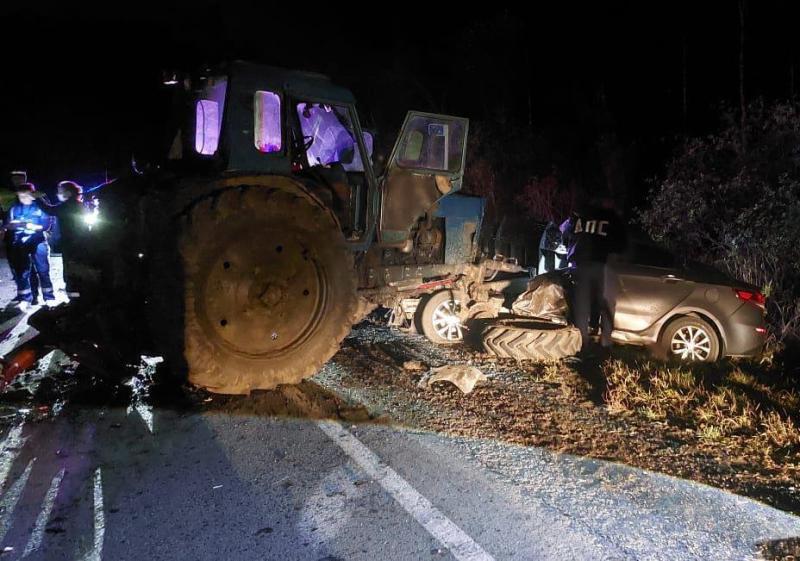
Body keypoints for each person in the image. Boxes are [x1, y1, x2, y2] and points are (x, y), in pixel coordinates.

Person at [560, 195, 627, 357]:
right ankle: (605, 343)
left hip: (580, 264)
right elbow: (621, 244)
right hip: (603, 264)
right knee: (606, 303)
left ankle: (582, 342)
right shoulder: (611, 217)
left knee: (582, 305)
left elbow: (564, 235)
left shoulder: (578, 215)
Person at [4, 183, 55, 308]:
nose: (23, 198)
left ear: (32, 195)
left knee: (43, 270)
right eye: (20, 196)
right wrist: (16, 225)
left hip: (38, 241)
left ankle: (49, 297)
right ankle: (25, 298)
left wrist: (31, 226)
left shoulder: (40, 207)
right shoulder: (14, 208)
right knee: (22, 272)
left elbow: (46, 225)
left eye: (25, 195)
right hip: (20, 242)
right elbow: (7, 224)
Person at [40, 181, 90, 298]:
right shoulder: (79, 204)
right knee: (78, 269)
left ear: (67, 192)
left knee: (70, 272)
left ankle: (74, 298)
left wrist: (38, 198)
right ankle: (80, 295)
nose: (58, 194)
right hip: (80, 243)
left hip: (71, 244)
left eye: (60, 192)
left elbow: (49, 210)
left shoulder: (68, 205)